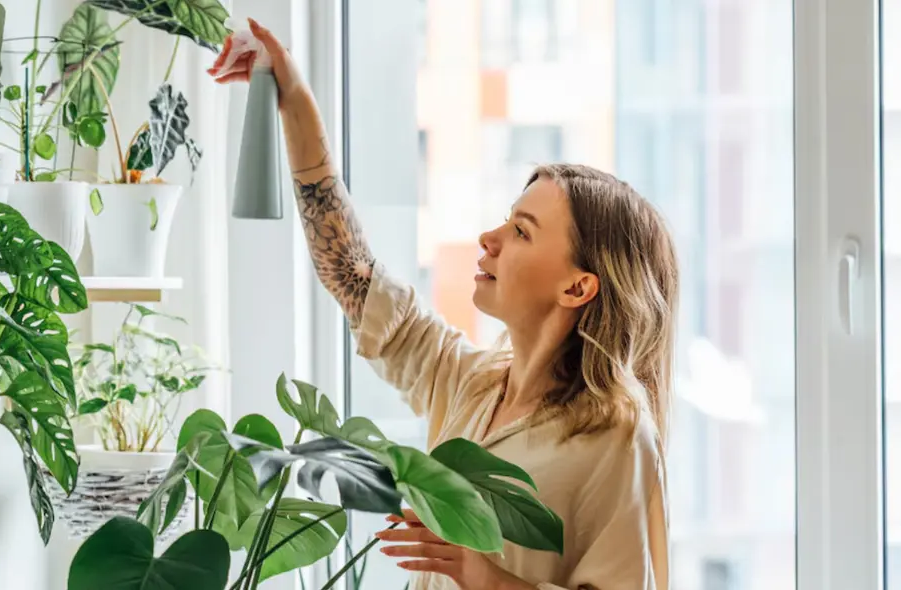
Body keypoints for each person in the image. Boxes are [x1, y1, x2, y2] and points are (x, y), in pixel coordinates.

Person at [210, 18, 677, 590]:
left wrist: (485, 577)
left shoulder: (619, 434)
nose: (491, 238)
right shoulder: (471, 383)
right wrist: (295, 101)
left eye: (523, 232)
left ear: (577, 288)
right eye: (506, 219)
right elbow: (354, 277)